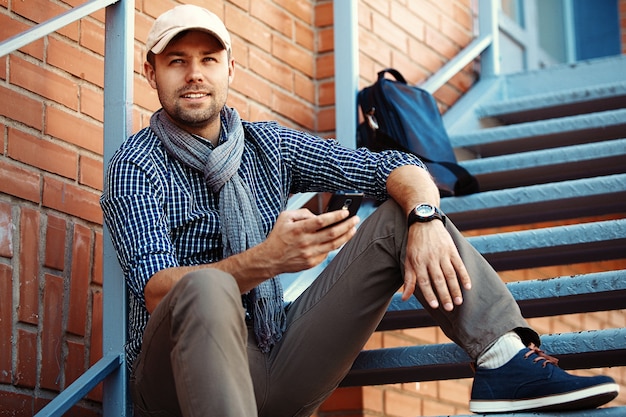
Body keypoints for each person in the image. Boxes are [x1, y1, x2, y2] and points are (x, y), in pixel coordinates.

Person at [100, 5, 619, 417]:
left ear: (230, 68)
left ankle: (505, 359)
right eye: (176, 61)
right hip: (175, 379)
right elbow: (158, 288)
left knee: (400, 216)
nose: (194, 75)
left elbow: (395, 166)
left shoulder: (267, 147)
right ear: (151, 72)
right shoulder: (135, 165)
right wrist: (268, 260)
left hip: (275, 361)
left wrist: (424, 218)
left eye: (208, 59)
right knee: (206, 287)